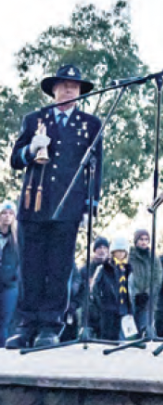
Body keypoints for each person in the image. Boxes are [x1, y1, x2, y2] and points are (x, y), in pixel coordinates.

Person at [7, 64, 103, 350]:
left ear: (79, 92)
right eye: (62, 85)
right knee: (31, 267)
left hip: (68, 205)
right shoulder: (35, 119)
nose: (68, 90)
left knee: (59, 268)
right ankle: (26, 325)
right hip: (34, 203)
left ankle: (50, 326)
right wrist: (30, 150)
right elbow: (15, 159)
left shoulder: (90, 124)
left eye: (73, 86)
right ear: (53, 90)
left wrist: (90, 204)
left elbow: (95, 169)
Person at [92, 235, 133, 341]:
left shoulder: (129, 269)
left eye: (123, 251)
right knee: (108, 337)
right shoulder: (104, 268)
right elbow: (95, 288)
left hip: (125, 308)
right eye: (117, 251)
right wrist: (101, 303)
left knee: (125, 337)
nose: (120, 254)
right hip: (108, 308)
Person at [128, 228, 162, 338]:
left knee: (147, 330)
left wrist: (147, 293)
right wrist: (136, 293)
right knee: (131, 332)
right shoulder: (130, 257)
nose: (144, 242)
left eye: (146, 239)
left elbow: (157, 277)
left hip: (148, 300)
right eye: (141, 239)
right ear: (136, 241)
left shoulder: (153, 258)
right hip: (132, 299)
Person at [0, 201, 20, 344]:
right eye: (4, 213)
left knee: (6, 322)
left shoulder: (17, 239)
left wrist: (15, 278)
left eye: (10, 214)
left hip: (10, 284)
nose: (7, 217)